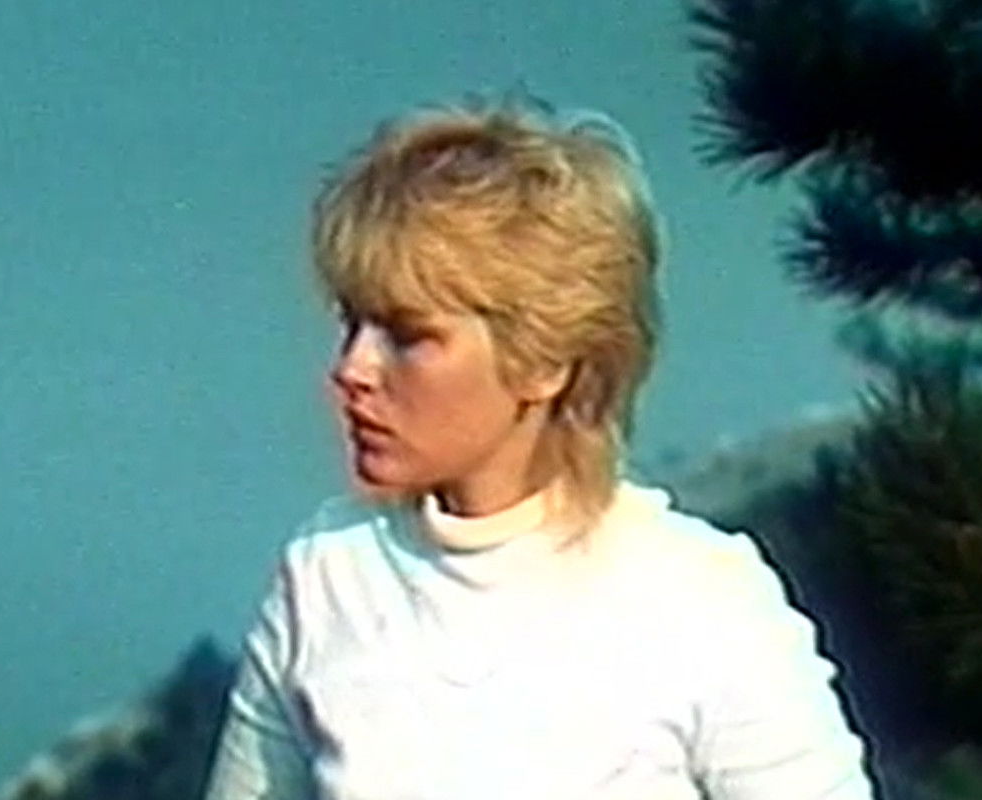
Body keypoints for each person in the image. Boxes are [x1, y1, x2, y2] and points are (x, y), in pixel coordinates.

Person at [203, 97, 874, 799]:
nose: (352, 369)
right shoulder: (327, 572)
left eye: (407, 336)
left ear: (545, 360)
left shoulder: (701, 599)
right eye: (353, 325)